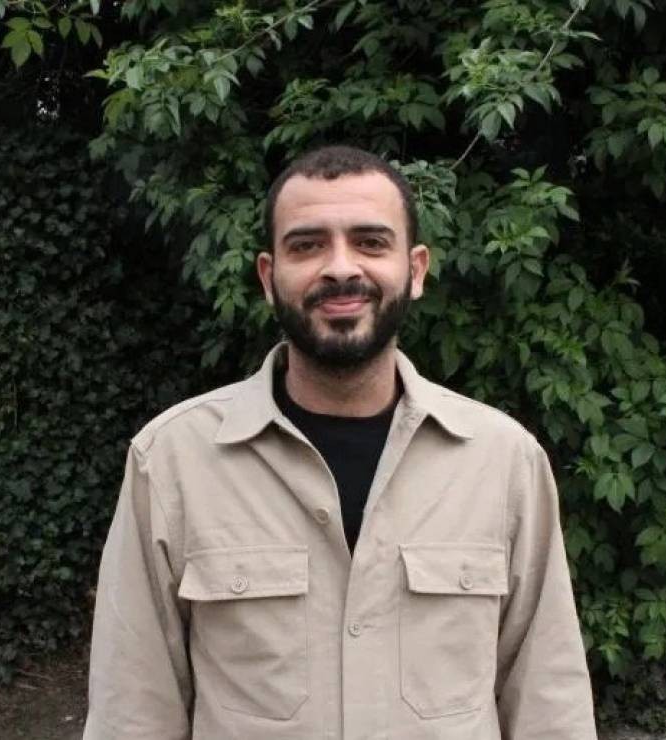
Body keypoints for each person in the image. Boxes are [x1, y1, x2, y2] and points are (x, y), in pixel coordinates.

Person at [82, 145, 597, 739]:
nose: (341, 268)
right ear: (269, 278)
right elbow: (132, 710)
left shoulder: (503, 461)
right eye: (307, 246)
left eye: (371, 242)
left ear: (416, 270)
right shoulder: (172, 461)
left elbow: (548, 704)